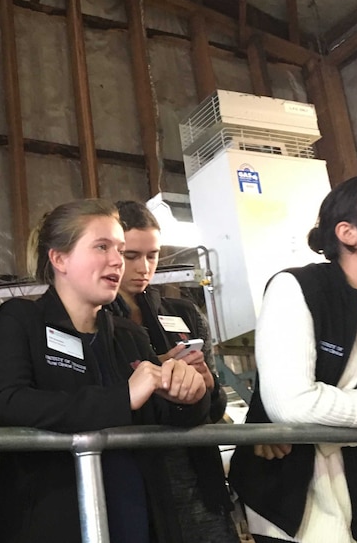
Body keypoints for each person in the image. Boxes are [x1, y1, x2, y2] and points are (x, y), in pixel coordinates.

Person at [228, 168, 357, 543]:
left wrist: (308, 418)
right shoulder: (296, 287)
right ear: (348, 233)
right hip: (285, 490)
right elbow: (291, 406)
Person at [0, 199, 211, 543]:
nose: (117, 261)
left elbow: (166, 415)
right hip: (54, 517)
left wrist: (189, 396)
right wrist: (123, 396)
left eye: (120, 249)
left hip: (135, 518)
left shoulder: (129, 335)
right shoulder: (21, 319)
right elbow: (9, 402)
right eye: (102, 247)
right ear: (59, 258)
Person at [107, 199, 238, 543]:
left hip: (199, 478)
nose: (143, 267)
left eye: (152, 255)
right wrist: (153, 372)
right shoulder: (95, 318)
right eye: (131, 255)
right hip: (138, 482)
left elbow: (216, 408)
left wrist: (207, 386)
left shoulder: (184, 312)